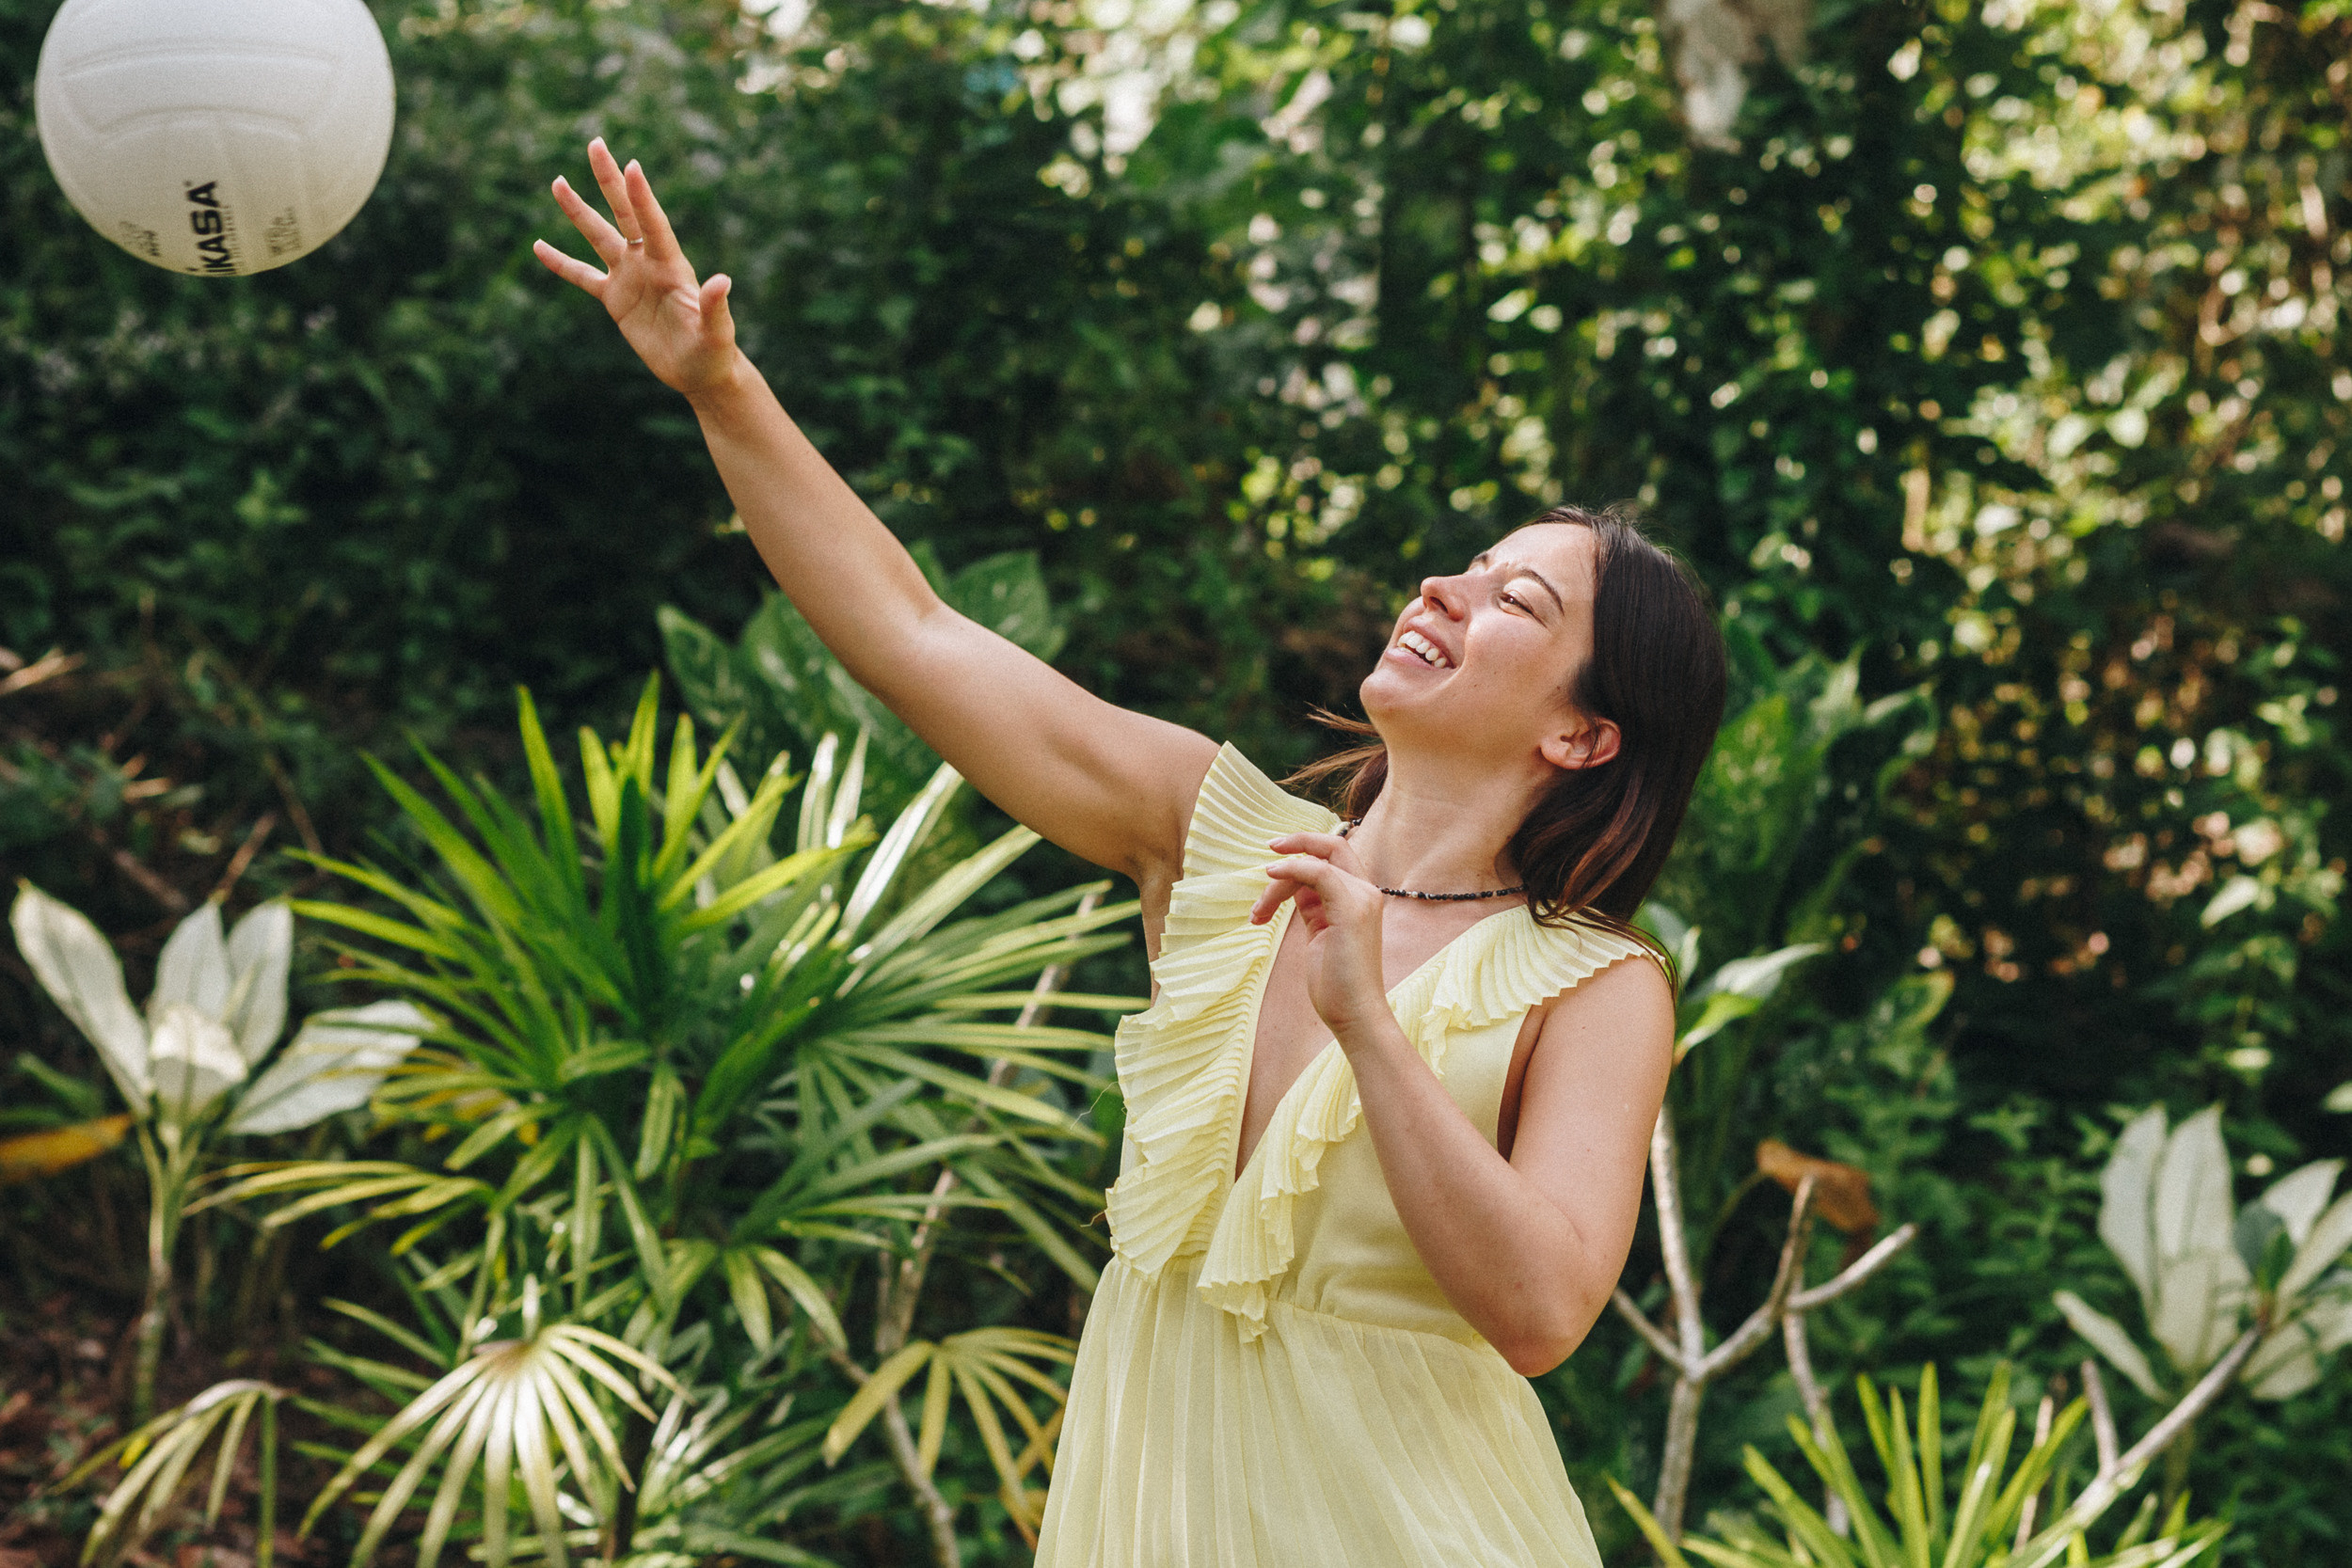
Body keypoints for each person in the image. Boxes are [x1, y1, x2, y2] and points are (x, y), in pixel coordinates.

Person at [537, 138, 1728, 1567]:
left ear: (1586, 737)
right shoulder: (1212, 837)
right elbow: (916, 635)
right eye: (1465, 566)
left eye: (1512, 601)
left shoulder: (1592, 984)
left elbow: (1543, 1314)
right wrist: (719, 385)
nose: (1444, 591)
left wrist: (1366, 1020)